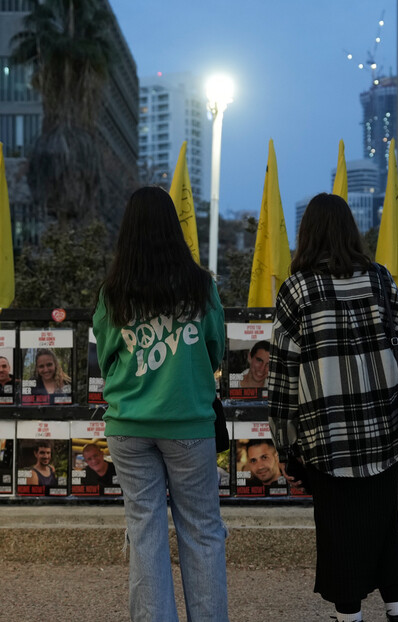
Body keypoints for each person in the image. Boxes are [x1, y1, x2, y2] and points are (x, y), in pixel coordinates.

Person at [268, 193, 398, 622]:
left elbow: (282, 377)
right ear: (351, 231)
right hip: (384, 431)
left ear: (307, 235)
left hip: (325, 438)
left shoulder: (296, 291)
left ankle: (349, 618)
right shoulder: (381, 280)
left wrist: (285, 443)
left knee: (338, 531)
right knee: (384, 523)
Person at [92, 186, 228, 622]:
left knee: (145, 531)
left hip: (128, 425)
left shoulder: (114, 291)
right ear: (174, 228)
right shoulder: (200, 286)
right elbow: (217, 348)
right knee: (202, 530)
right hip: (189, 424)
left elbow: (107, 354)